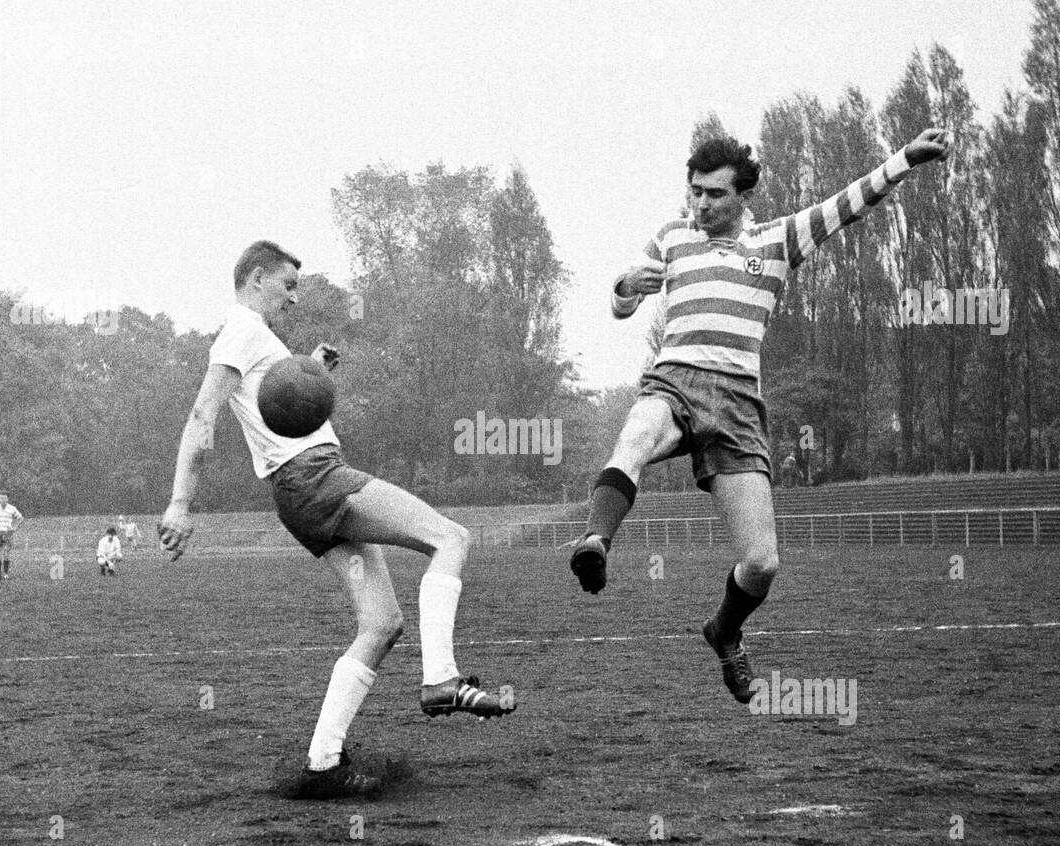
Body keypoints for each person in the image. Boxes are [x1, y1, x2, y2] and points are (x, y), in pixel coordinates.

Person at [570, 127, 953, 701]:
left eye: (715, 194)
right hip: (674, 377)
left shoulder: (777, 241)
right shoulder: (673, 236)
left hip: (738, 403)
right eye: (695, 191)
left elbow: (847, 204)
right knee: (635, 436)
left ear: (743, 196)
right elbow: (622, 306)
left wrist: (905, 159)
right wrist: (626, 285)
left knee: (762, 563)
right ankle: (596, 542)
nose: (700, 204)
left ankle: (724, 631)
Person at [158, 240, 515, 799]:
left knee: (380, 626)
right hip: (315, 478)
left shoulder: (259, 340)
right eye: (288, 285)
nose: (295, 298)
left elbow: (274, 406)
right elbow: (202, 417)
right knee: (450, 537)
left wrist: (312, 372)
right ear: (255, 278)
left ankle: (324, 762)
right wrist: (181, 502)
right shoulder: (242, 330)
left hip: (299, 492)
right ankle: (442, 680)